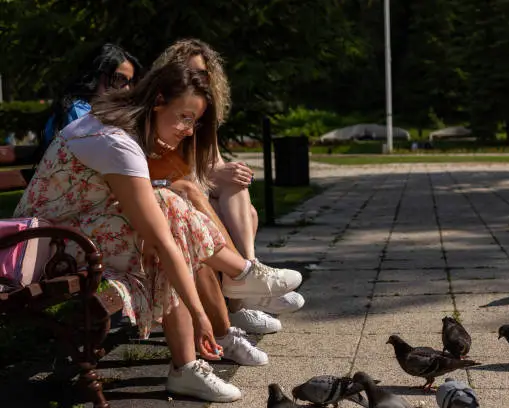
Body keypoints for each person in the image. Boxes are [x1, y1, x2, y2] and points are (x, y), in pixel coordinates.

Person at [14, 62, 302, 402]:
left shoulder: (118, 127)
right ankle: (238, 280)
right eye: (185, 117)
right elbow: (164, 241)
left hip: (77, 233)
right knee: (165, 220)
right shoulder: (115, 142)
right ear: (157, 101)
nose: (190, 130)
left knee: (166, 206)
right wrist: (200, 314)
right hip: (47, 249)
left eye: (194, 121)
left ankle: (237, 283)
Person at [151, 39, 305, 331]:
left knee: (239, 189)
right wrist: (214, 176)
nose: (197, 81)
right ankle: (247, 286)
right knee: (249, 214)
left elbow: (213, 166)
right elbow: (170, 177)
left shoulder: (201, 118)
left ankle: (247, 280)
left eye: (204, 76)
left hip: (197, 194)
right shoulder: (166, 115)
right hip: (177, 199)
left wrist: (224, 173)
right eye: (190, 73)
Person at [42, 43, 143, 149]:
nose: (127, 89)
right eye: (119, 79)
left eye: (130, 82)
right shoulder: (78, 112)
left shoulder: (90, 110)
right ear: (96, 76)